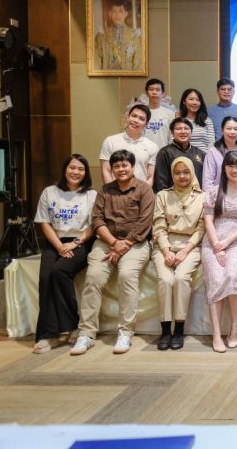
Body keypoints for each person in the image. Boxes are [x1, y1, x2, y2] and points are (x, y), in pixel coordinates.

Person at [70, 150, 155, 356]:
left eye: (125, 165)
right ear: (112, 169)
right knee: (93, 277)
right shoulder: (105, 190)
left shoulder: (144, 189)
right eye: (116, 166)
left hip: (136, 243)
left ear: (132, 167)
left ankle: (125, 332)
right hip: (107, 241)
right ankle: (87, 334)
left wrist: (124, 244)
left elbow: (145, 222)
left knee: (127, 275)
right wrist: (114, 243)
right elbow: (97, 219)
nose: (121, 169)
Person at [32, 154, 97, 354]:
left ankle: (72, 326)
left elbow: (94, 225)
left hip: (81, 241)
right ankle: (48, 334)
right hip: (55, 241)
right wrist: (60, 246)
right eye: (72, 167)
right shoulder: (50, 192)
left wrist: (75, 243)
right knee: (45, 277)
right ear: (65, 169)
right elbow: (44, 223)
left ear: (86, 173)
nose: (76, 172)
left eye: (81, 169)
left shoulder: (91, 195)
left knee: (59, 271)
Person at [202, 151, 237, 353]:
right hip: (212, 242)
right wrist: (217, 244)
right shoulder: (213, 192)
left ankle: (235, 327)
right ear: (224, 168)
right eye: (231, 166)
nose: (235, 170)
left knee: (232, 275)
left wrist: (227, 242)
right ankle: (216, 334)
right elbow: (208, 220)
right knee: (216, 278)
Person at [152, 157, 205, 351]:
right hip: (164, 246)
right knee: (165, 280)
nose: (182, 176)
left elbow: (201, 229)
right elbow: (159, 227)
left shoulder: (202, 197)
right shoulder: (162, 196)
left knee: (181, 278)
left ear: (192, 173)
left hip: (191, 246)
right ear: (172, 175)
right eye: (177, 172)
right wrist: (166, 251)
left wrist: (184, 251)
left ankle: (179, 330)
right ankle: (166, 331)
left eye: (186, 172)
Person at [99, 103, 159, 186]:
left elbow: (150, 177)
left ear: (146, 123)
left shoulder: (152, 146)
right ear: (127, 117)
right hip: (115, 192)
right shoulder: (110, 141)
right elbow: (106, 171)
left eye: (141, 119)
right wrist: (111, 192)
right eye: (134, 116)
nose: (136, 120)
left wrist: (143, 192)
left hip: (140, 192)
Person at [153, 117, 205, 193]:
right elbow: (160, 182)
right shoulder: (165, 152)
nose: (183, 132)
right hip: (173, 197)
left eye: (186, 128)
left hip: (196, 196)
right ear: (172, 132)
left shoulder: (200, 153)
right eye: (178, 129)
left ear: (191, 132)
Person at [94, 0, 142, 71]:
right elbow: (96, 63)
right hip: (107, 76)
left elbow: (138, 65)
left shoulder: (135, 36)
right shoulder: (101, 36)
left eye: (120, 11)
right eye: (114, 11)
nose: (117, 15)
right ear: (110, 14)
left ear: (126, 14)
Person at [207, 78, 237, 152]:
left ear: (233, 92)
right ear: (217, 91)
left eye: (229, 89)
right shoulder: (209, 112)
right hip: (217, 152)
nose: (226, 92)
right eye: (223, 89)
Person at [202, 116, 237, 190]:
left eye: (236, 129)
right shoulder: (213, 152)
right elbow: (207, 182)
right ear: (222, 131)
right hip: (218, 195)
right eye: (229, 129)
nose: (232, 132)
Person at [178, 88, 215, 153]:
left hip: (203, 156)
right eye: (191, 99)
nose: (195, 103)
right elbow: (173, 141)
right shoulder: (178, 120)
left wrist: (206, 156)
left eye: (198, 100)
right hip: (183, 157)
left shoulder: (207, 120)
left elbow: (211, 143)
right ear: (184, 101)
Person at [142, 78, 175, 149]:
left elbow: (172, 136)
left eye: (158, 90)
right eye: (151, 89)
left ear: (162, 93)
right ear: (146, 93)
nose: (154, 92)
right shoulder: (141, 112)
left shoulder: (170, 113)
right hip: (143, 151)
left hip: (164, 152)